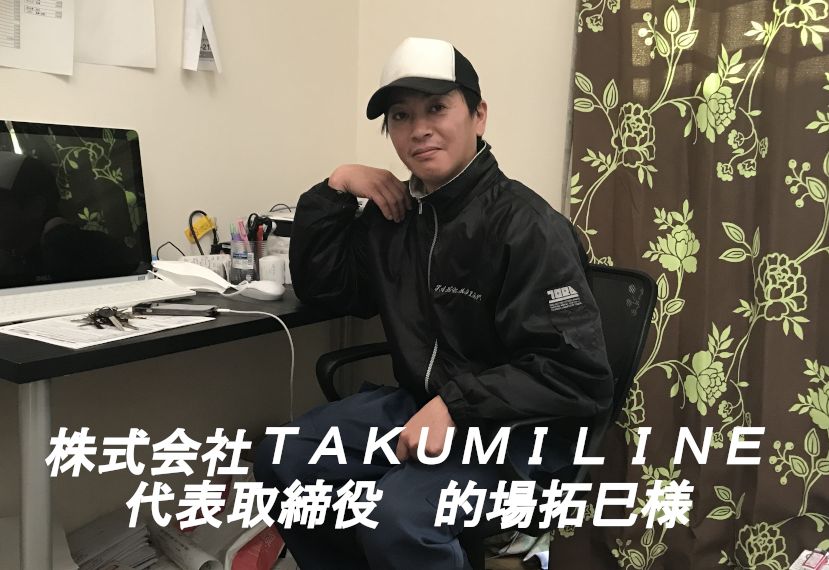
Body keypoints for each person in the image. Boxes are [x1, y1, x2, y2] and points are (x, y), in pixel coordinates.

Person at [254, 37, 613, 569]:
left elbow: (577, 374)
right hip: (424, 407)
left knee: (397, 517)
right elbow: (326, 286)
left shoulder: (527, 228)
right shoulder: (395, 220)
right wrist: (336, 189)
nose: (419, 128)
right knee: (284, 456)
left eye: (437, 108)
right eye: (401, 116)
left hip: (517, 433)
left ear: (478, 115)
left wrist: (455, 406)